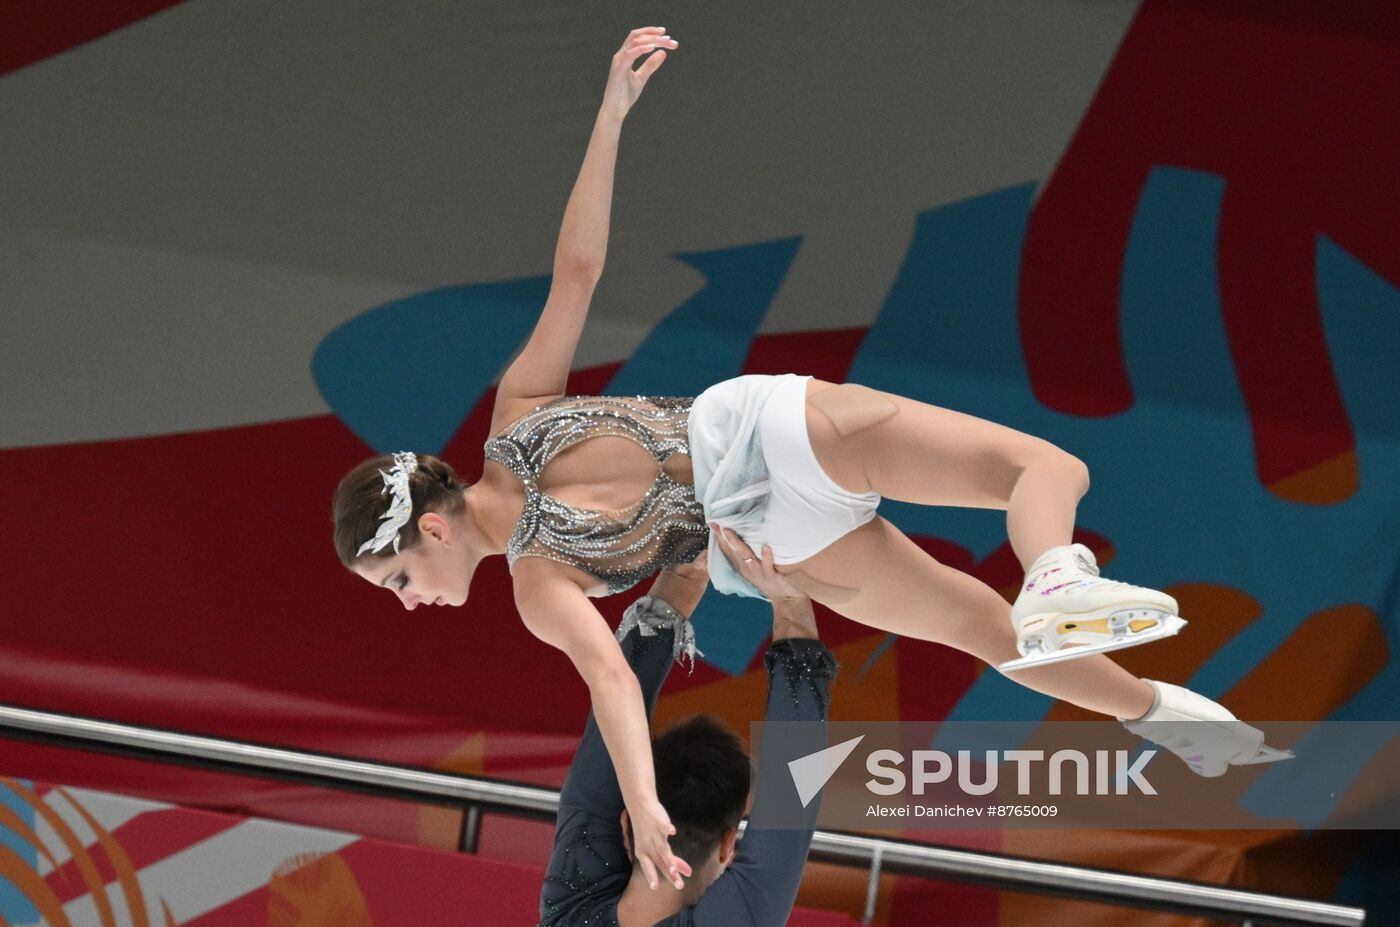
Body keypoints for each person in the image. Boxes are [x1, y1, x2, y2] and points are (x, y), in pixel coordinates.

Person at [333, 25, 1290, 891]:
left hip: (768, 519)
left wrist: (647, 802)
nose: (409, 599)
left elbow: (618, 686)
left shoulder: (540, 583)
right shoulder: (519, 429)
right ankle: (1060, 578)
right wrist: (611, 115)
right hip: (762, 450)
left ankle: (1156, 711)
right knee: (1043, 475)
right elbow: (576, 272)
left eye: (400, 577)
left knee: (988, 633)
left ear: (430, 522)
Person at [539, 521, 835, 927]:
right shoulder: (568, 909)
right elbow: (608, 731)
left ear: (628, 824)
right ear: (727, 847)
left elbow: (792, 805)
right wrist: (691, 563)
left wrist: (790, 600)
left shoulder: (573, 904)